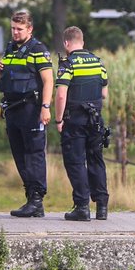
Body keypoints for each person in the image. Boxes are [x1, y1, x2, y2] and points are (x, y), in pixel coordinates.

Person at [0, 10, 55, 218]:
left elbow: (48, 80)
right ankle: (30, 198)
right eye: (12, 28)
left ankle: (37, 200)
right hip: (12, 109)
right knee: (19, 154)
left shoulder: (38, 49)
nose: (15, 32)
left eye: (19, 29)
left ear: (29, 29)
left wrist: (45, 107)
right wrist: (0, 71)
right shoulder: (10, 49)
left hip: (31, 109)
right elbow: (12, 77)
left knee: (34, 154)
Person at [54, 26, 109, 222]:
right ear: (82, 42)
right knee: (96, 160)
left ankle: (82, 207)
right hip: (95, 120)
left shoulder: (67, 64)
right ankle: (102, 207)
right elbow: (104, 93)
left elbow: (61, 94)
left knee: (76, 162)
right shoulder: (97, 62)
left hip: (74, 120)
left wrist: (59, 119)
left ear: (66, 43)